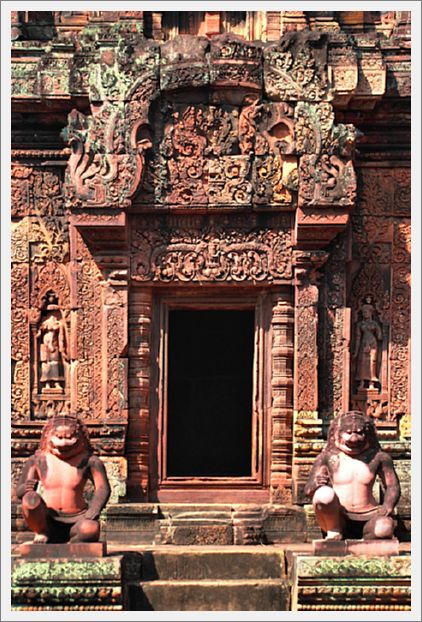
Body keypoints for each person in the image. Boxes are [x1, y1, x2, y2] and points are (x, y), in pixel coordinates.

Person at [17, 415, 111, 543]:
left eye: (70, 437)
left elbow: (102, 488)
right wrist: (26, 488)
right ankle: (42, 532)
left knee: (90, 529)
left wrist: (94, 509)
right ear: (47, 436)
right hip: (47, 518)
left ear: (81, 437)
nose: (64, 443)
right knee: (30, 500)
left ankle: (73, 541)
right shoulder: (38, 459)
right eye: (59, 437)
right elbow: (19, 491)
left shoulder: (90, 461)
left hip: (78, 518)